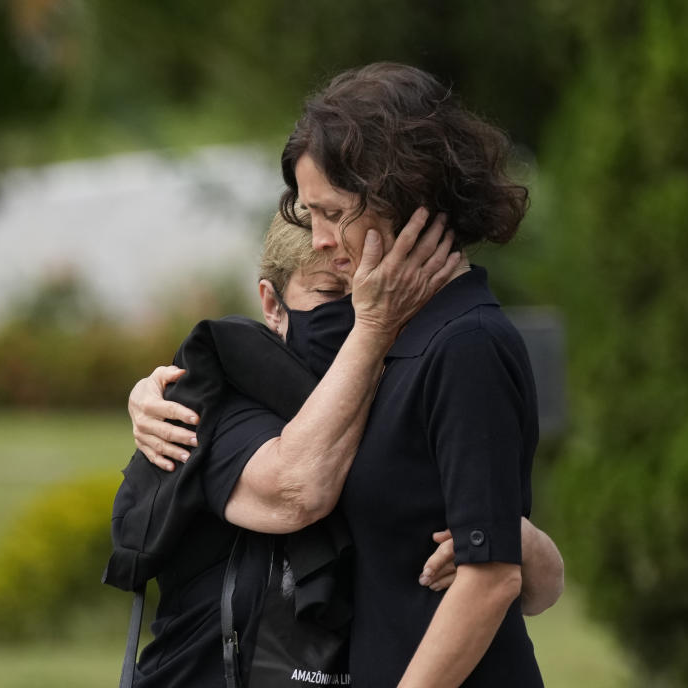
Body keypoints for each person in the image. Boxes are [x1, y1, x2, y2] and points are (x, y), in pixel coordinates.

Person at [133, 63, 555, 686]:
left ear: (399, 191)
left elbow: (491, 580)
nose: (322, 240)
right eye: (312, 215)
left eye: (332, 213)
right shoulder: (391, 341)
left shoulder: (466, 343)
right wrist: (150, 395)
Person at [106, 208, 466, 686]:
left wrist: (496, 540)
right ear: (272, 306)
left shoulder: (405, 405)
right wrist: (375, 328)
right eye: (331, 294)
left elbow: (544, 582)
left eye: (373, 289)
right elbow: (296, 490)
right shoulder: (218, 402)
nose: (358, 307)